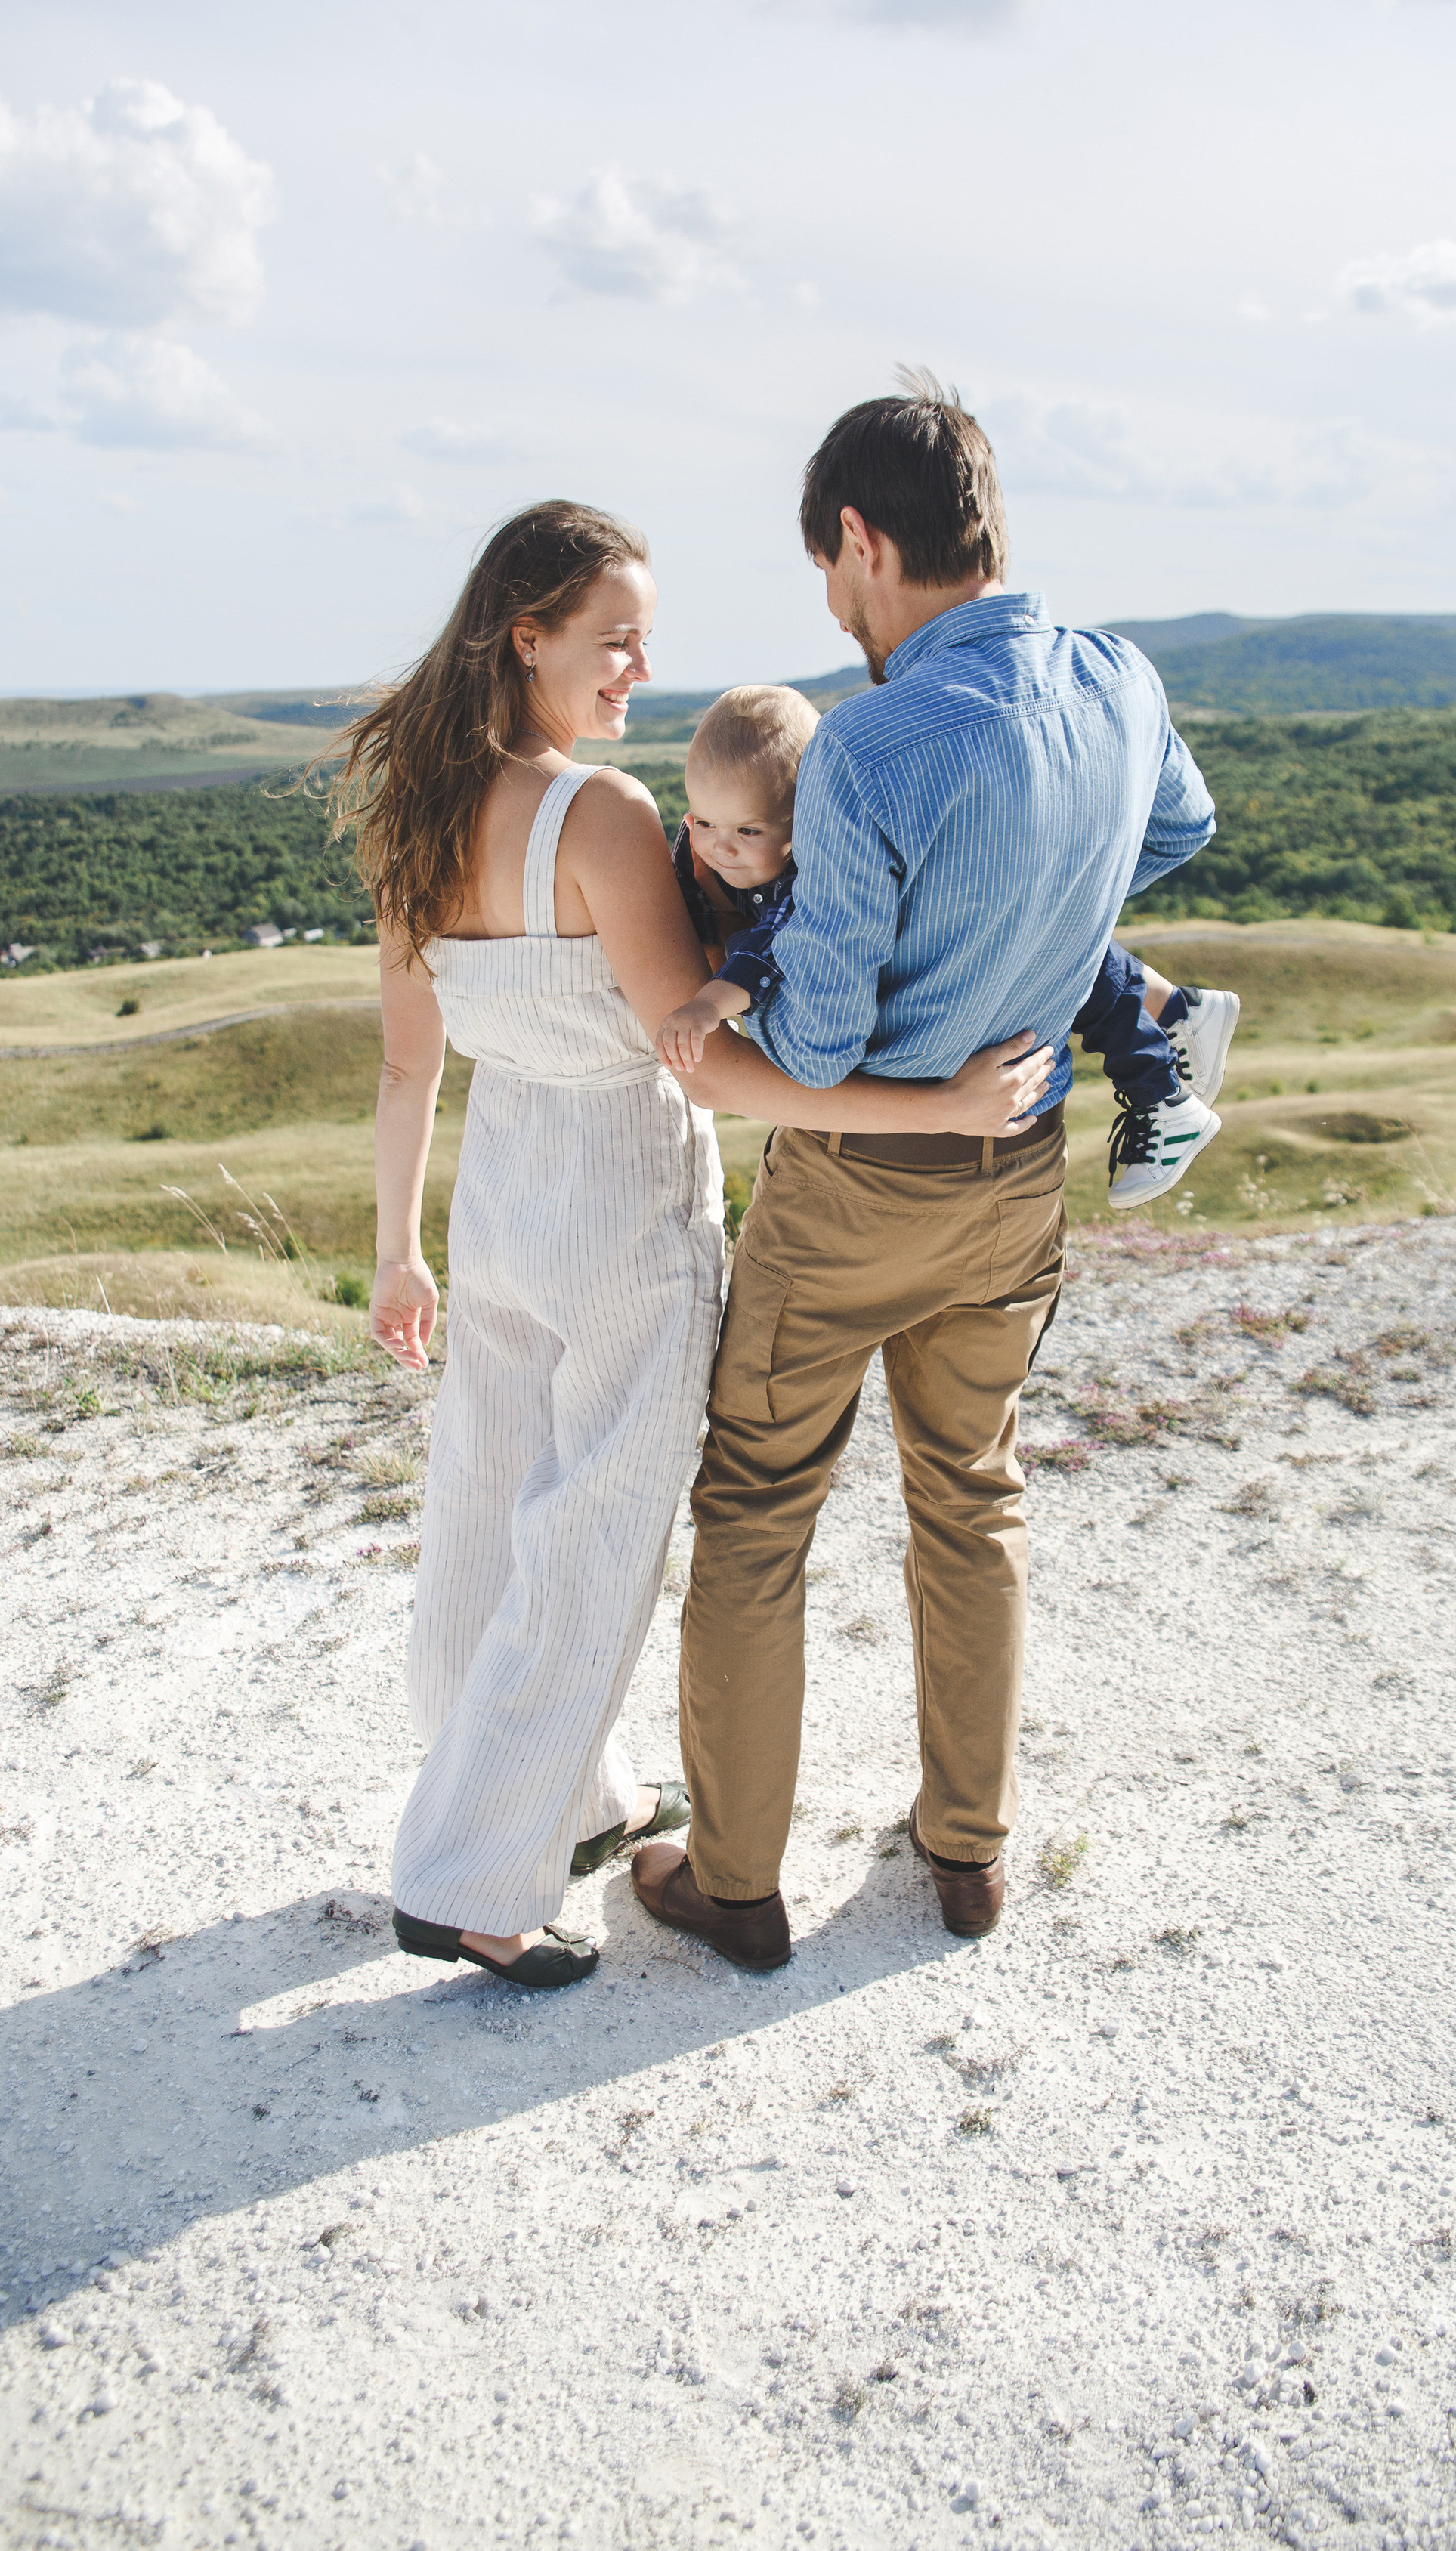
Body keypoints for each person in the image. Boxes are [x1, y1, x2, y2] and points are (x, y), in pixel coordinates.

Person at [338, 500, 1054, 1994]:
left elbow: (410, 1064)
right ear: (522, 633)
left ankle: (568, 1804)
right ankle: (470, 1880)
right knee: (594, 1539)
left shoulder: (414, 801)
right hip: (614, 1203)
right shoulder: (591, 815)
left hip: (499, 1202)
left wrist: (396, 1251)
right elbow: (703, 1062)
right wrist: (927, 1109)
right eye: (613, 639)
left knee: (483, 1505)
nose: (637, 671)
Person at [629, 378, 1216, 1974]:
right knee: (973, 1496)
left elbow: (813, 1052)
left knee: (757, 1510)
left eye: (829, 574)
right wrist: (1031, 898)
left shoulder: (868, 747)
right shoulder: (1118, 674)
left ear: (860, 539)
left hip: (849, 1192)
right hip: (1018, 1168)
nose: (834, 608)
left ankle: (735, 1879)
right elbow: (1176, 823)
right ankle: (965, 1851)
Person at [657, 684, 1238, 1207]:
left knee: (1070, 969)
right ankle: (1175, 1009)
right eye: (702, 823)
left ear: (804, 826)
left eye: (748, 831)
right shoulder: (721, 856)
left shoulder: (808, 885)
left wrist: (709, 1005)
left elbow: (763, 958)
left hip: (934, 1146)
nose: (718, 848)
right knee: (1051, 937)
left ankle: (1159, 1091)